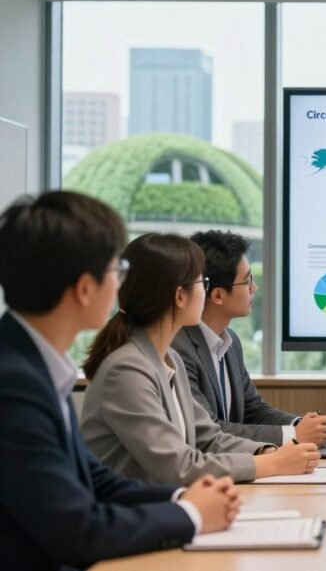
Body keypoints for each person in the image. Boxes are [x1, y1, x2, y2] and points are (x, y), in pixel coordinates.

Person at [0, 192, 241, 570]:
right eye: (117, 269)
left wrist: (182, 499)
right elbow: (79, 532)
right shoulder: (14, 383)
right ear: (84, 288)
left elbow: (95, 479)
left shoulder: (34, 364)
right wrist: (191, 515)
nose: (121, 284)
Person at [80, 233, 321, 486]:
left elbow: (209, 438)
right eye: (202, 282)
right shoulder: (126, 369)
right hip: (135, 507)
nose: (206, 291)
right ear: (180, 296)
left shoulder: (170, 358)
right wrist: (271, 464)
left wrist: (268, 452)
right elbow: (178, 466)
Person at [171, 230, 326, 446]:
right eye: (247, 281)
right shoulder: (178, 348)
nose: (254, 288)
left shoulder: (230, 342)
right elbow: (208, 431)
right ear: (218, 295)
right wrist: (294, 435)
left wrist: (300, 424)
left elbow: (252, 410)